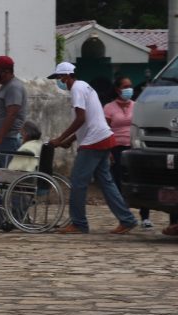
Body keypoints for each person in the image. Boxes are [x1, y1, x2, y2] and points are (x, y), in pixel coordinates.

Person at [47, 62, 138, 235]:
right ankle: (127, 219)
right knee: (106, 182)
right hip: (103, 137)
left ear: (66, 76)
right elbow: (88, 119)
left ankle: (79, 223)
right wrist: (71, 140)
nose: (58, 81)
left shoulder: (76, 90)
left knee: (78, 182)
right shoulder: (85, 86)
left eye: (59, 78)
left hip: (94, 141)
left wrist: (60, 139)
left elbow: (81, 119)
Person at [104, 76, 152, 229]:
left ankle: (145, 217)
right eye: (125, 87)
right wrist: (108, 151)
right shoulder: (109, 108)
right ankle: (124, 217)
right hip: (116, 149)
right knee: (118, 183)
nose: (128, 89)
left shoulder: (137, 106)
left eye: (130, 86)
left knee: (139, 180)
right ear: (118, 89)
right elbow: (106, 130)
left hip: (133, 148)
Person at [0, 55, 27, 155]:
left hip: (8, 140)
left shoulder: (14, 87)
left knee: (5, 170)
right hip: (4, 140)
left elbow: (12, 114)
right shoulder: (7, 86)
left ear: (6, 72)